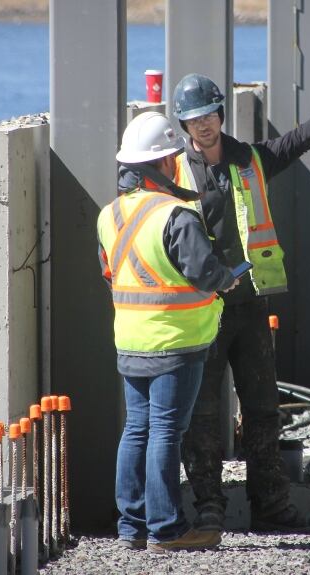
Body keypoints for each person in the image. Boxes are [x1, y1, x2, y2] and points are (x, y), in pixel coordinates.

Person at [171, 72, 310, 533]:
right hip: (202, 309)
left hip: (248, 304)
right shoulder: (172, 172)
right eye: (194, 120)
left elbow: (303, 137)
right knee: (203, 414)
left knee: (262, 406)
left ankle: (269, 503)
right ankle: (208, 505)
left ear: (220, 115)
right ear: (184, 126)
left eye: (209, 115)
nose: (204, 126)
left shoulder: (250, 159)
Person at [96, 111, 238, 554]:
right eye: (174, 157)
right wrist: (227, 278)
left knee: (137, 429)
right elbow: (204, 273)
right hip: (175, 343)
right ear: (162, 165)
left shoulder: (109, 215)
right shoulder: (175, 215)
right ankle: (167, 530)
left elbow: (111, 272)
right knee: (166, 433)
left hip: (130, 340)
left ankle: (132, 526)